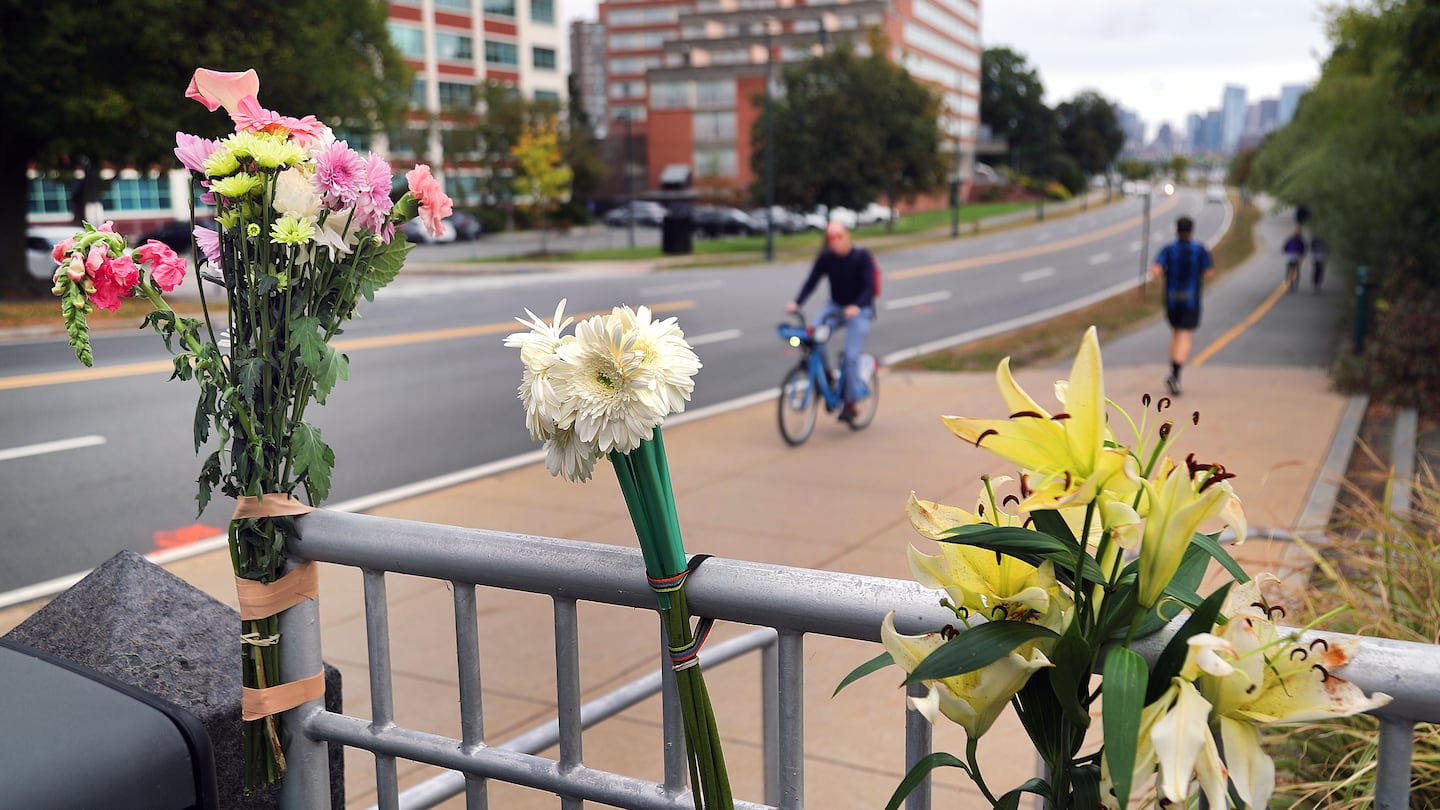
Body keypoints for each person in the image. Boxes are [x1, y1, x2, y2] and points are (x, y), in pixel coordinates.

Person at [785, 221, 876, 423]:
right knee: (815, 336)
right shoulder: (826, 258)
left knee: (851, 356)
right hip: (834, 307)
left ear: (847, 236)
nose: (834, 242)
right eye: (830, 238)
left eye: (838, 236)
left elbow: (868, 288)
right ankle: (826, 377)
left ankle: (850, 404)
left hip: (858, 310)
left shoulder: (862, 257)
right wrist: (796, 303)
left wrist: (857, 306)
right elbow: (812, 281)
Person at [1149, 215, 1214, 397]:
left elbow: (1155, 269)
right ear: (1191, 230)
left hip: (1171, 300)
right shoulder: (1199, 249)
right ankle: (1176, 374)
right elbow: (1209, 272)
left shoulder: (1169, 249)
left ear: (1176, 230)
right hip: (1191, 299)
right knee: (1185, 336)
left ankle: (1173, 369)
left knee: (1176, 333)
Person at [1282, 228, 1307, 293]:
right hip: (1296, 256)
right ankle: (1294, 283)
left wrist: (1286, 252)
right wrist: (1302, 256)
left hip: (1290, 256)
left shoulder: (1290, 239)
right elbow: (1303, 249)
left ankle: (1288, 282)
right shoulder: (1301, 241)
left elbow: (1285, 248)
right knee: (1296, 270)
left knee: (1289, 269)